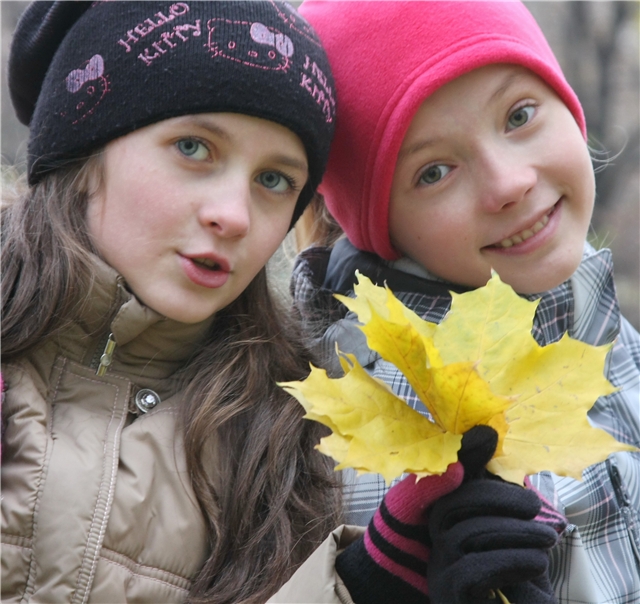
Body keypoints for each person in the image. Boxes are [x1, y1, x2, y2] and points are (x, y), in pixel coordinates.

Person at [286, 1, 640, 603]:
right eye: (435, 171)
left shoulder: (595, 321)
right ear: (379, 229)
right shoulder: (393, 419)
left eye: (520, 114)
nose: (509, 183)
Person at [0, 2, 345, 602]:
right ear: (84, 156)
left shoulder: (292, 447)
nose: (234, 215)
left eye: (274, 180)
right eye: (193, 146)